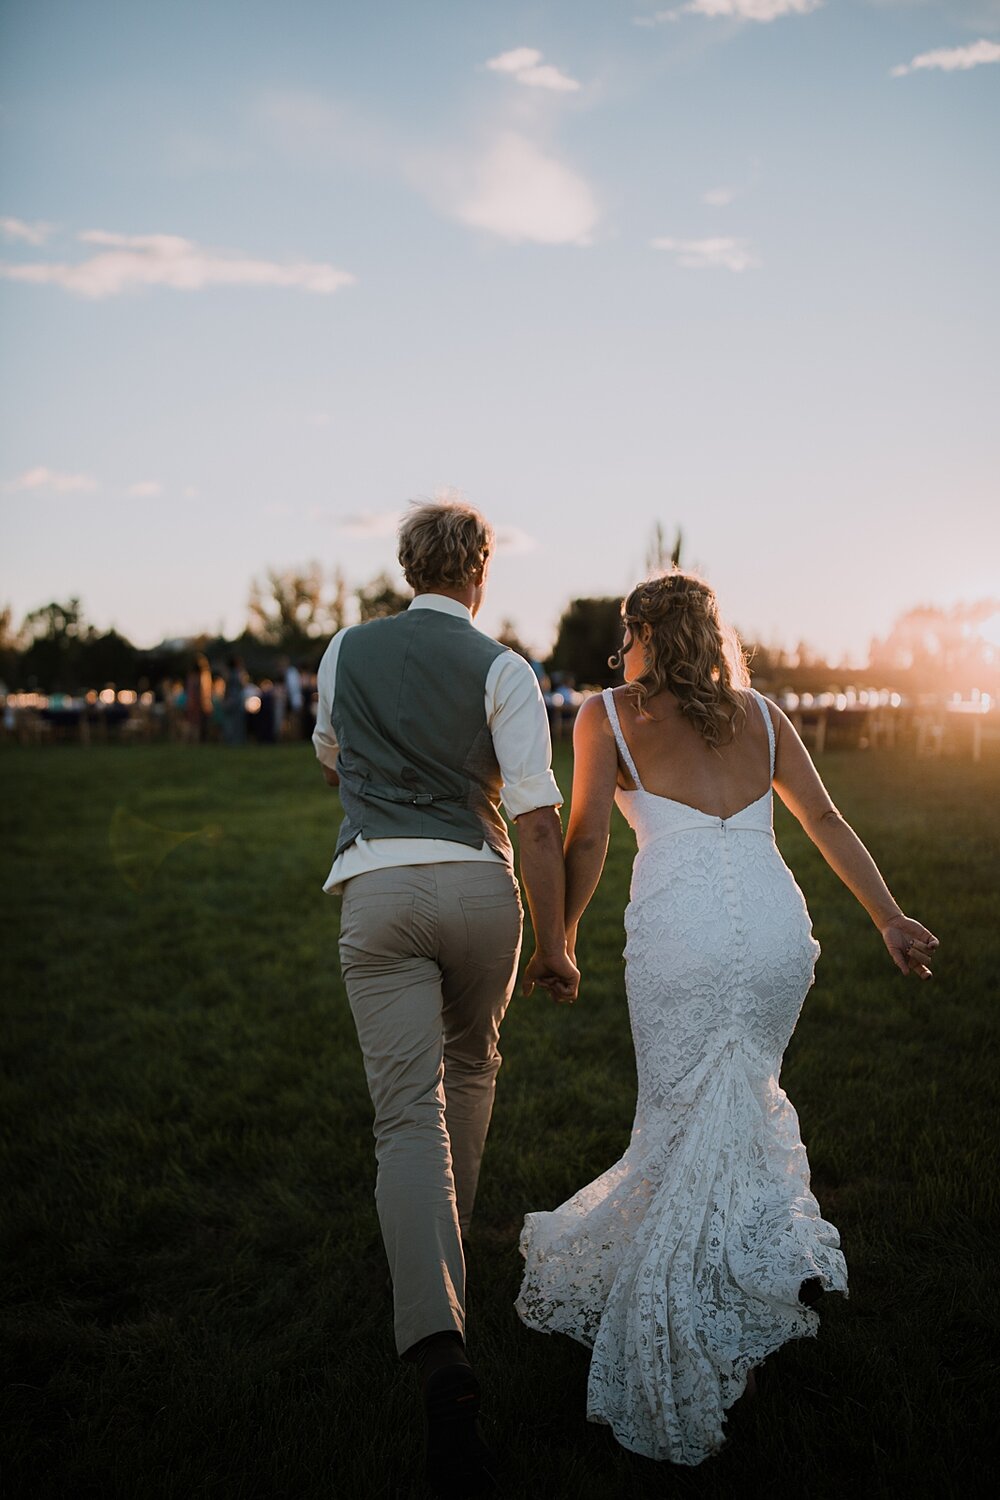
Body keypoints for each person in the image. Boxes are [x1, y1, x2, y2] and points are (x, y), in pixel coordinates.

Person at [516, 569, 938, 1466]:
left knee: (679, 1122)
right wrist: (889, 917)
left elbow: (587, 836)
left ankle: (700, 1320)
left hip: (683, 932)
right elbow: (822, 818)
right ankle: (745, 1283)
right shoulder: (765, 716)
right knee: (741, 1109)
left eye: (625, 635)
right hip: (779, 931)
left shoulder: (608, 715)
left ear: (640, 634)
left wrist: (563, 938)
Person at [313, 497, 579, 1498]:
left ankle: (436, 1342)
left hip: (379, 888)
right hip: (480, 885)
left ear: (403, 568)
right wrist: (555, 942)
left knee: (401, 1116)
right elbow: (539, 819)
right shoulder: (505, 668)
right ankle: (445, 1261)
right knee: (470, 1068)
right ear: (479, 573)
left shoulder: (347, 650)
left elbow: (330, 755)